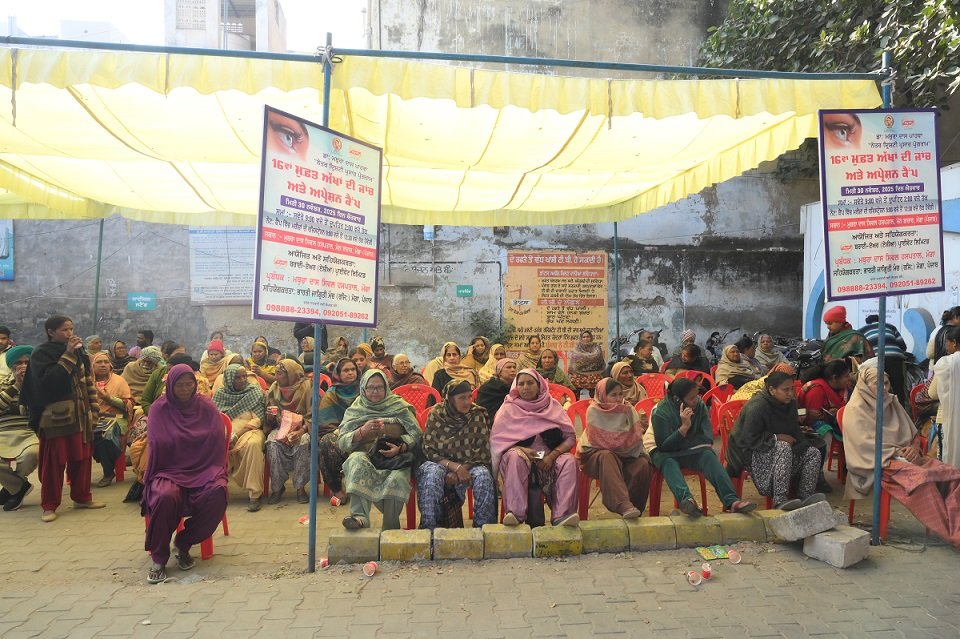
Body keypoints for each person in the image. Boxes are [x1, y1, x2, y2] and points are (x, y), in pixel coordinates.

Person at [843, 366, 960, 547]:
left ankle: (956, 524)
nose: (884, 388)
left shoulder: (892, 402)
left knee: (952, 474)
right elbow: (862, 445)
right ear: (865, 385)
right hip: (880, 461)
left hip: (907, 456)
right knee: (922, 480)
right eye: (877, 384)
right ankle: (951, 533)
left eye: (886, 383)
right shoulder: (855, 409)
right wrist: (897, 452)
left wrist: (914, 448)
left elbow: (912, 434)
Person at [142, 364, 228, 584]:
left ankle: (184, 542)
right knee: (164, 496)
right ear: (171, 385)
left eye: (189, 384)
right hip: (168, 470)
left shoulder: (206, 406)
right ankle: (159, 557)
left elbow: (217, 437)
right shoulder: (159, 409)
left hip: (203, 467)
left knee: (218, 492)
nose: (185, 389)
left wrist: (189, 442)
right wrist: (189, 439)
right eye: (180, 385)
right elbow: (157, 442)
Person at [20, 315, 105, 523]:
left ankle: (82, 497)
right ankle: (49, 505)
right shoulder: (42, 354)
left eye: (71, 329)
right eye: (64, 330)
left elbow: (87, 383)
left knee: (82, 459)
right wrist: (67, 354)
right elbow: (50, 383)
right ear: (51, 332)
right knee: (54, 463)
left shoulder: (79, 352)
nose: (70, 333)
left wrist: (94, 411)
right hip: (55, 419)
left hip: (81, 416)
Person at [646, 378, 756, 516]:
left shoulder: (699, 406)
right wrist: (683, 429)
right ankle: (687, 501)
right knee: (669, 463)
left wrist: (683, 441)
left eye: (697, 395)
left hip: (689, 449)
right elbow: (664, 445)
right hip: (662, 451)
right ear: (677, 399)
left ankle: (732, 501)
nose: (696, 400)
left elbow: (707, 437)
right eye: (691, 398)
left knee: (708, 456)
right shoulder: (661, 412)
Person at [491, 368, 579, 527]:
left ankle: (563, 515)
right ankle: (515, 514)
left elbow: (570, 437)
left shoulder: (553, 406)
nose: (525, 387)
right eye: (521, 384)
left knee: (569, 461)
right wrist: (523, 450)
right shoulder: (508, 408)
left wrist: (552, 456)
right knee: (514, 456)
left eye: (530, 383)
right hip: (523, 456)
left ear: (540, 385)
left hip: (550, 456)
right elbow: (499, 442)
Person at [725, 372, 825, 510]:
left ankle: (804, 497)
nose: (790, 393)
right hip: (750, 452)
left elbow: (794, 431)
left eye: (792, 389)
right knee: (783, 447)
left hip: (778, 451)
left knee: (812, 452)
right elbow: (748, 438)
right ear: (772, 390)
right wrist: (776, 438)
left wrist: (802, 444)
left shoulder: (790, 404)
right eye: (786, 389)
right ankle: (780, 500)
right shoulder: (757, 406)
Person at [337, 370, 421, 530]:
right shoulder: (356, 408)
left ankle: (390, 527)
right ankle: (360, 519)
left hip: (395, 459)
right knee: (355, 461)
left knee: (396, 478)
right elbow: (342, 441)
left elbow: (416, 433)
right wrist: (363, 431)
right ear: (363, 389)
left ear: (386, 388)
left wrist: (401, 447)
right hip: (366, 456)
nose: (375, 391)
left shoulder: (398, 405)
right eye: (370, 387)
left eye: (379, 387)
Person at [417, 380, 496, 529]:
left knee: (483, 476)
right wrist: (454, 467)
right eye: (462, 398)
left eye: (469, 397)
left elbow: (482, 450)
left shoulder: (477, 414)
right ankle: (430, 528)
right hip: (439, 462)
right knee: (431, 474)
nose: (467, 402)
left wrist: (462, 468)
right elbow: (428, 449)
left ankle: (483, 529)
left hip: (470, 463)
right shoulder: (436, 414)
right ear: (450, 399)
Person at [125, 353, 201, 503]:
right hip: (159, 418)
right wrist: (155, 416)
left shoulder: (201, 398)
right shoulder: (158, 377)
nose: (185, 388)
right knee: (146, 442)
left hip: (191, 433)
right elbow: (146, 400)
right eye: (168, 369)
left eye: (172, 370)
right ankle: (147, 483)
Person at [577, 377, 651, 518]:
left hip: (625, 455)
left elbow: (636, 439)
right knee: (607, 456)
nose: (618, 399)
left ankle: (634, 508)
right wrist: (622, 445)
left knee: (643, 464)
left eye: (620, 394)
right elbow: (597, 442)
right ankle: (622, 505)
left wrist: (622, 447)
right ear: (603, 395)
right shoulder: (594, 410)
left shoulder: (628, 409)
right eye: (613, 395)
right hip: (594, 457)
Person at [212, 364, 267, 512]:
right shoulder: (219, 395)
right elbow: (215, 420)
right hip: (224, 433)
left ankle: (255, 494)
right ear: (229, 380)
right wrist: (225, 436)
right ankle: (210, 493)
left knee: (253, 445)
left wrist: (237, 434)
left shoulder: (254, 392)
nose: (243, 380)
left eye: (244, 376)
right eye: (238, 377)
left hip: (249, 431)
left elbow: (258, 420)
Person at [264, 359, 313, 505]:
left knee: (303, 442)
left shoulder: (306, 387)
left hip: (302, 428)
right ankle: (278, 488)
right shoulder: (274, 388)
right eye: (275, 373)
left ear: (290, 375)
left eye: (279, 374)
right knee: (272, 443)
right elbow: (269, 420)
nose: (276, 377)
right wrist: (270, 416)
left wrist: (301, 430)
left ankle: (300, 487)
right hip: (280, 427)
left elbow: (314, 415)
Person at [316, 358, 362, 507]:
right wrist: (343, 433)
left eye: (353, 369)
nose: (350, 373)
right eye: (346, 370)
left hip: (363, 433)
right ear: (338, 374)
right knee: (325, 442)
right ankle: (337, 490)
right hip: (339, 433)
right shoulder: (331, 395)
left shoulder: (365, 389)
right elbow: (325, 424)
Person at [0, 345, 39, 511]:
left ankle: (12, 487)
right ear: (11, 366)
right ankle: (19, 487)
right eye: (19, 363)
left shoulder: (39, 383)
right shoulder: (2, 383)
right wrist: (16, 385)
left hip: (28, 432)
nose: (23, 366)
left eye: (26, 362)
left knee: (33, 454)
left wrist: (10, 407)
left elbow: (33, 412)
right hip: (3, 431)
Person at [90, 352, 133, 488]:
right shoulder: (87, 382)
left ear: (110, 365)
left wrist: (108, 399)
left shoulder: (119, 381)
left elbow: (128, 404)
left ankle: (108, 472)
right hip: (91, 418)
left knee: (104, 436)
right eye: (99, 362)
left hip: (116, 418)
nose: (103, 365)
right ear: (92, 365)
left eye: (106, 362)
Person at [859, 315, 909, 404]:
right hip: (895, 358)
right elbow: (903, 346)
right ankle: (903, 412)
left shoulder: (862, 330)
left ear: (868, 323)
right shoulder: (890, 326)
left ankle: (884, 412)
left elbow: (861, 351)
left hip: (876, 360)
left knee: (881, 387)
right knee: (899, 387)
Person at [799, 360, 851, 440]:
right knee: (826, 430)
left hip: (835, 420)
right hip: (812, 423)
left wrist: (836, 412)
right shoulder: (816, 390)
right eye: (846, 376)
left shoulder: (844, 389)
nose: (849, 378)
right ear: (834, 378)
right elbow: (811, 417)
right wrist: (827, 415)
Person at [930, 327, 960, 467]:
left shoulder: (946, 364)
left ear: (954, 343)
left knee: (947, 462)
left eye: (946, 342)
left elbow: (932, 393)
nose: (946, 346)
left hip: (948, 418)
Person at [568, 330, 605, 395]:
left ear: (591, 338)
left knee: (598, 384)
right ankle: (576, 402)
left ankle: (595, 401)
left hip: (594, 373)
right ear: (581, 338)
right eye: (584, 337)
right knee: (572, 383)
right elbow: (574, 364)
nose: (586, 338)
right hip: (579, 373)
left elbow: (600, 361)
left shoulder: (596, 347)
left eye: (588, 336)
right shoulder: (577, 349)